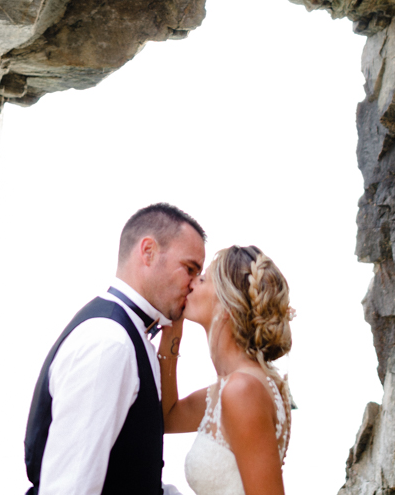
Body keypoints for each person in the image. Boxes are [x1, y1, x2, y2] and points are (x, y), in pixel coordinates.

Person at [25, 203, 207, 495]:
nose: (194, 284)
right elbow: (71, 488)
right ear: (147, 252)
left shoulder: (129, 334)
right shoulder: (109, 343)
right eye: (190, 269)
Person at [161, 246, 295, 495]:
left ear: (227, 306)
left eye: (202, 279)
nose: (190, 283)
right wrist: (172, 334)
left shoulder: (242, 391)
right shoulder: (236, 386)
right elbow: (167, 416)